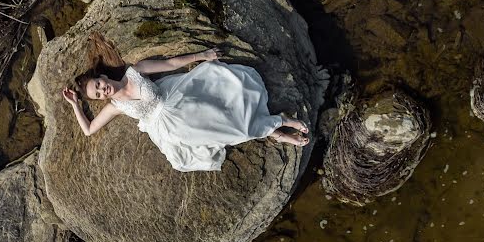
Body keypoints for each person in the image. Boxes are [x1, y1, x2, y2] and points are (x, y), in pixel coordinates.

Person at [61, 33, 310, 172]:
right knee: (233, 131)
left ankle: (280, 127)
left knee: (234, 113)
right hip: (174, 130)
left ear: (102, 76)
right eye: (98, 95)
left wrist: (202, 55)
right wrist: (75, 106)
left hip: (181, 99)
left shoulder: (135, 71)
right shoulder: (115, 107)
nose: (103, 91)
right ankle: (279, 127)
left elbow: (170, 64)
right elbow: (89, 130)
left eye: (98, 86)